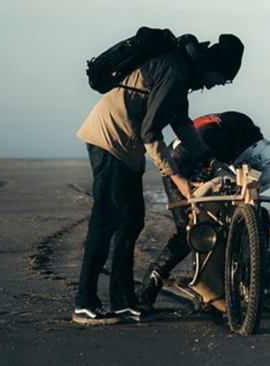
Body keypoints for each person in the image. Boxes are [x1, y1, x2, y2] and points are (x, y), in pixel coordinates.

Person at [72, 30, 244, 325]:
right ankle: (84, 303)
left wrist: (209, 160)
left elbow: (182, 124)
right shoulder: (176, 71)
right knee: (106, 220)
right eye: (223, 80)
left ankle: (123, 300)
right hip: (110, 139)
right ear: (214, 68)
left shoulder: (184, 72)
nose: (218, 86)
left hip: (126, 146)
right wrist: (177, 177)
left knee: (132, 221)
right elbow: (151, 132)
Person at [137, 111, 270, 314]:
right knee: (190, 229)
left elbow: (249, 173)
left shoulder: (242, 133)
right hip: (180, 165)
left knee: (259, 216)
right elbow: (191, 156)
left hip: (210, 160)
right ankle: (151, 286)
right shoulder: (214, 135)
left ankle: (264, 291)